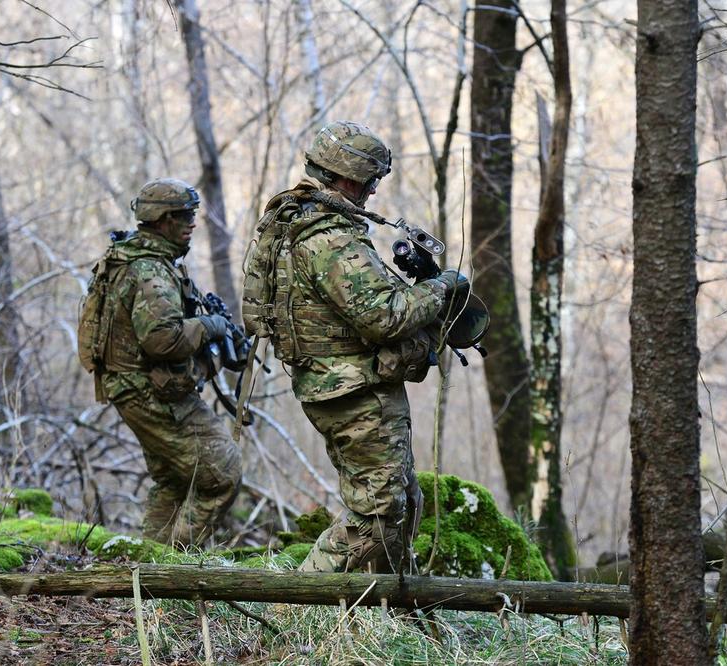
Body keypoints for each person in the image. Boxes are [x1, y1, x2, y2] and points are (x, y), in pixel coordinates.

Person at [242, 121, 467, 573]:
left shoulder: (295, 218)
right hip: (353, 391)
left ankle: (383, 609)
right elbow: (385, 316)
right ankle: (295, 606)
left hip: (340, 386)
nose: (373, 192)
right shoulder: (329, 236)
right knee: (377, 518)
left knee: (400, 499)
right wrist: (442, 286)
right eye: (371, 181)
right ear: (347, 176)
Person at [79, 178, 242, 547]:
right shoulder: (150, 270)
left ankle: (151, 567)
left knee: (175, 478)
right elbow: (162, 340)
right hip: (150, 392)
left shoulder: (132, 256)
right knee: (223, 473)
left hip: (136, 389)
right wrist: (209, 326)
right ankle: (176, 567)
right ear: (161, 220)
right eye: (183, 216)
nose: (192, 223)